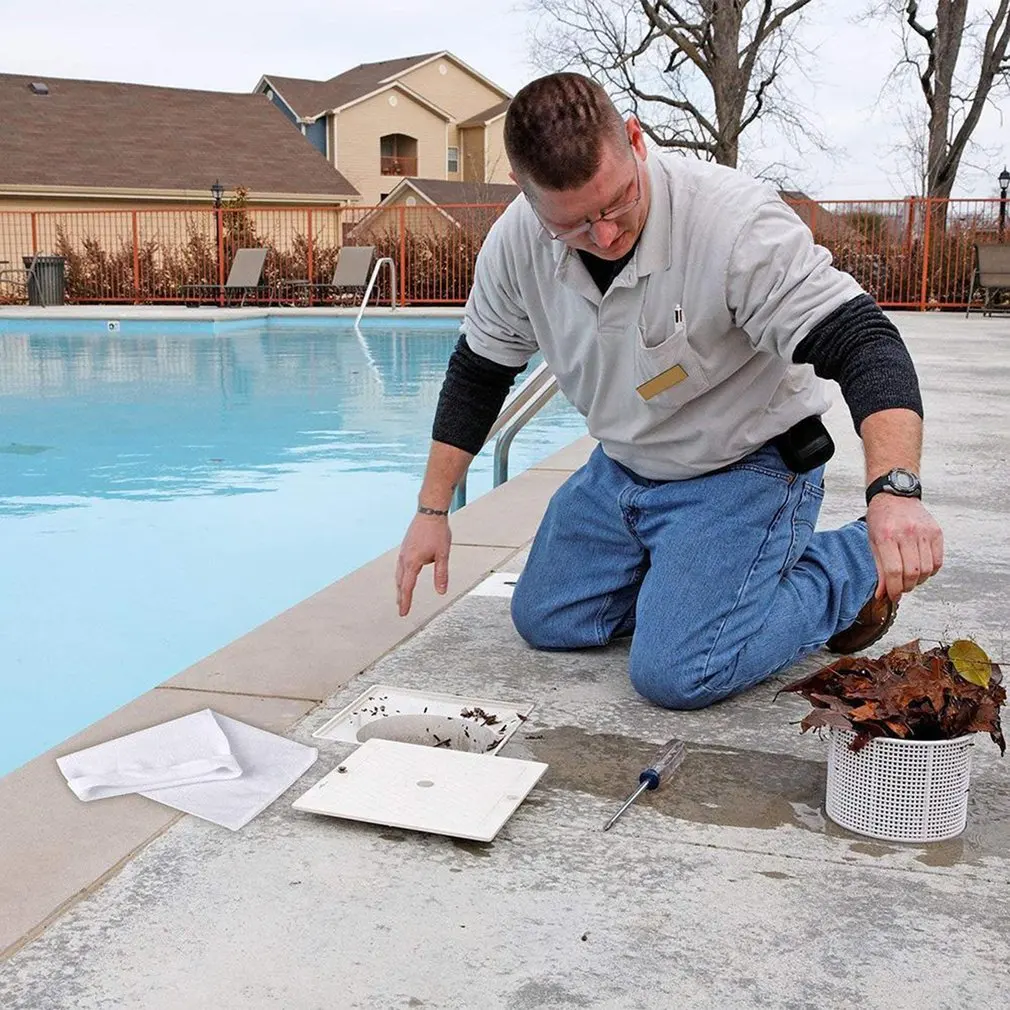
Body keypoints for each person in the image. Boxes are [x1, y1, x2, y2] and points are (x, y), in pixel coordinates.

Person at [394, 72, 944, 711]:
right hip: (623, 469)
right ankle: (694, 579)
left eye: (617, 203)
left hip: (745, 467)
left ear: (635, 139)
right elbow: (478, 372)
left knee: (678, 673)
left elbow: (864, 341)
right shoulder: (515, 242)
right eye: (573, 223)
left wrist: (894, 491)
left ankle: (849, 564)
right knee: (546, 619)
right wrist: (432, 511)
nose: (603, 235)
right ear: (525, 191)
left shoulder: (733, 223)